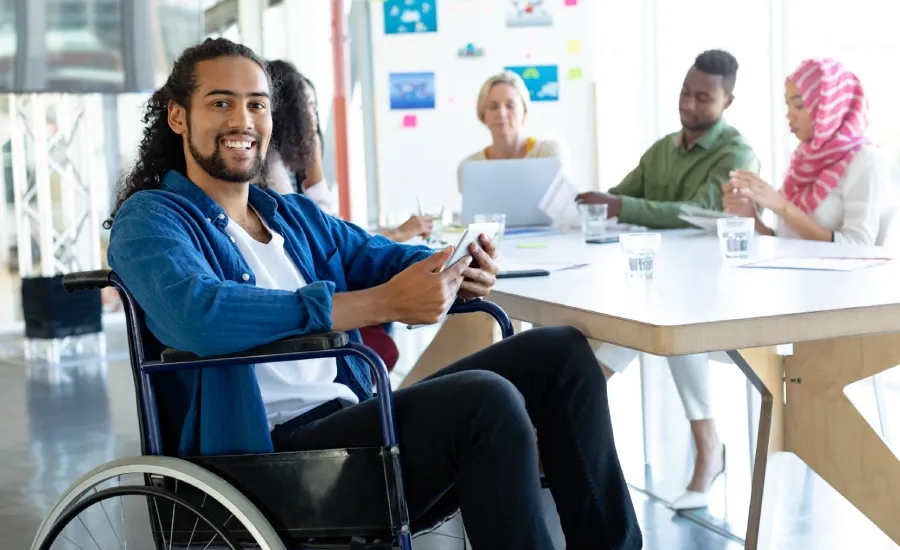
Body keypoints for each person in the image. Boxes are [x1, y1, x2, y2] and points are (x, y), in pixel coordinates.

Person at [104, 38, 642, 549]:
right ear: (179, 116)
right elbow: (198, 316)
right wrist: (380, 302)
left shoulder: (289, 215)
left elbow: (380, 256)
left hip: (353, 422)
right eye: (220, 103)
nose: (243, 120)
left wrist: (451, 267)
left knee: (562, 351)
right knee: (485, 401)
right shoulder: (152, 219)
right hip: (266, 459)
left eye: (257, 105)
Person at [577, 50, 761, 511]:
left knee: (658, 321)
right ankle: (707, 447)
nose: (690, 104)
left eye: (704, 97)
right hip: (668, 293)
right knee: (643, 317)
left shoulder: (736, 153)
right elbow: (622, 194)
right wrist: (596, 202)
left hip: (724, 300)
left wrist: (620, 207)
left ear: (728, 101)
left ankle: (558, 423)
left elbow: (695, 214)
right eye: (685, 91)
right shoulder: (662, 150)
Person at [724, 58, 893, 246]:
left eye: (799, 106)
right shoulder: (804, 158)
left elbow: (859, 245)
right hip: (795, 274)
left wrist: (781, 206)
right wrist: (751, 216)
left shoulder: (866, 159)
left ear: (830, 107)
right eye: (787, 105)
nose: (789, 115)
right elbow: (787, 242)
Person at [264, 59, 433, 243]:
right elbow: (323, 237)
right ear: (287, 111)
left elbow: (332, 227)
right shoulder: (271, 165)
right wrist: (397, 234)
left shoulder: (289, 162)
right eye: (308, 106)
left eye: (315, 107)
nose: (314, 116)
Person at [457, 70, 565, 188]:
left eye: (510, 106)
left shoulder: (549, 153)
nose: (502, 113)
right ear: (482, 114)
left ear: (524, 112)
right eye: (493, 107)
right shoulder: (469, 167)